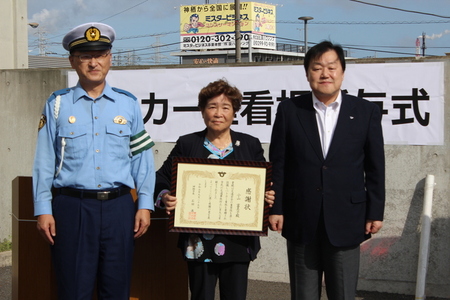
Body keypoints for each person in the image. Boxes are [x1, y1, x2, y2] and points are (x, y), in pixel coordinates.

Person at [32, 22, 156, 300]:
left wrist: (145, 204)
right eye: (86, 56)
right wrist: (43, 208)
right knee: (74, 289)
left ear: (110, 58)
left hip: (119, 209)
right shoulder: (57, 104)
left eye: (100, 54)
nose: (93, 62)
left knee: (117, 289)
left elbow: (142, 157)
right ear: (73, 61)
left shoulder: (128, 104)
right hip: (71, 208)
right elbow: (44, 161)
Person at [269, 41, 385, 300]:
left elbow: (375, 167)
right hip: (301, 216)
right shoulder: (290, 110)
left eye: (332, 67)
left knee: (343, 293)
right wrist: (276, 207)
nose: (325, 74)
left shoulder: (365, 111)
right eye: (317, 68)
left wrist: (375, 211)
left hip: (348, 217)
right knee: (303, 294)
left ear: (342, 72)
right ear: (307, 73)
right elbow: (279, 162)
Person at [154, 79, 275, 300]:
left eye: (226, 107)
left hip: (238, 240)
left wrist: (267, 195)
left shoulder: (250, 145)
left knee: (235, 296)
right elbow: (160, 178)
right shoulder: (188, 144)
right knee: (201, 295)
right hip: (198, 241)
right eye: (212, 106)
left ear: (235, 112)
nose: (218, 113)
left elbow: (265, 183)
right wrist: (165, 196)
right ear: (202, 111)